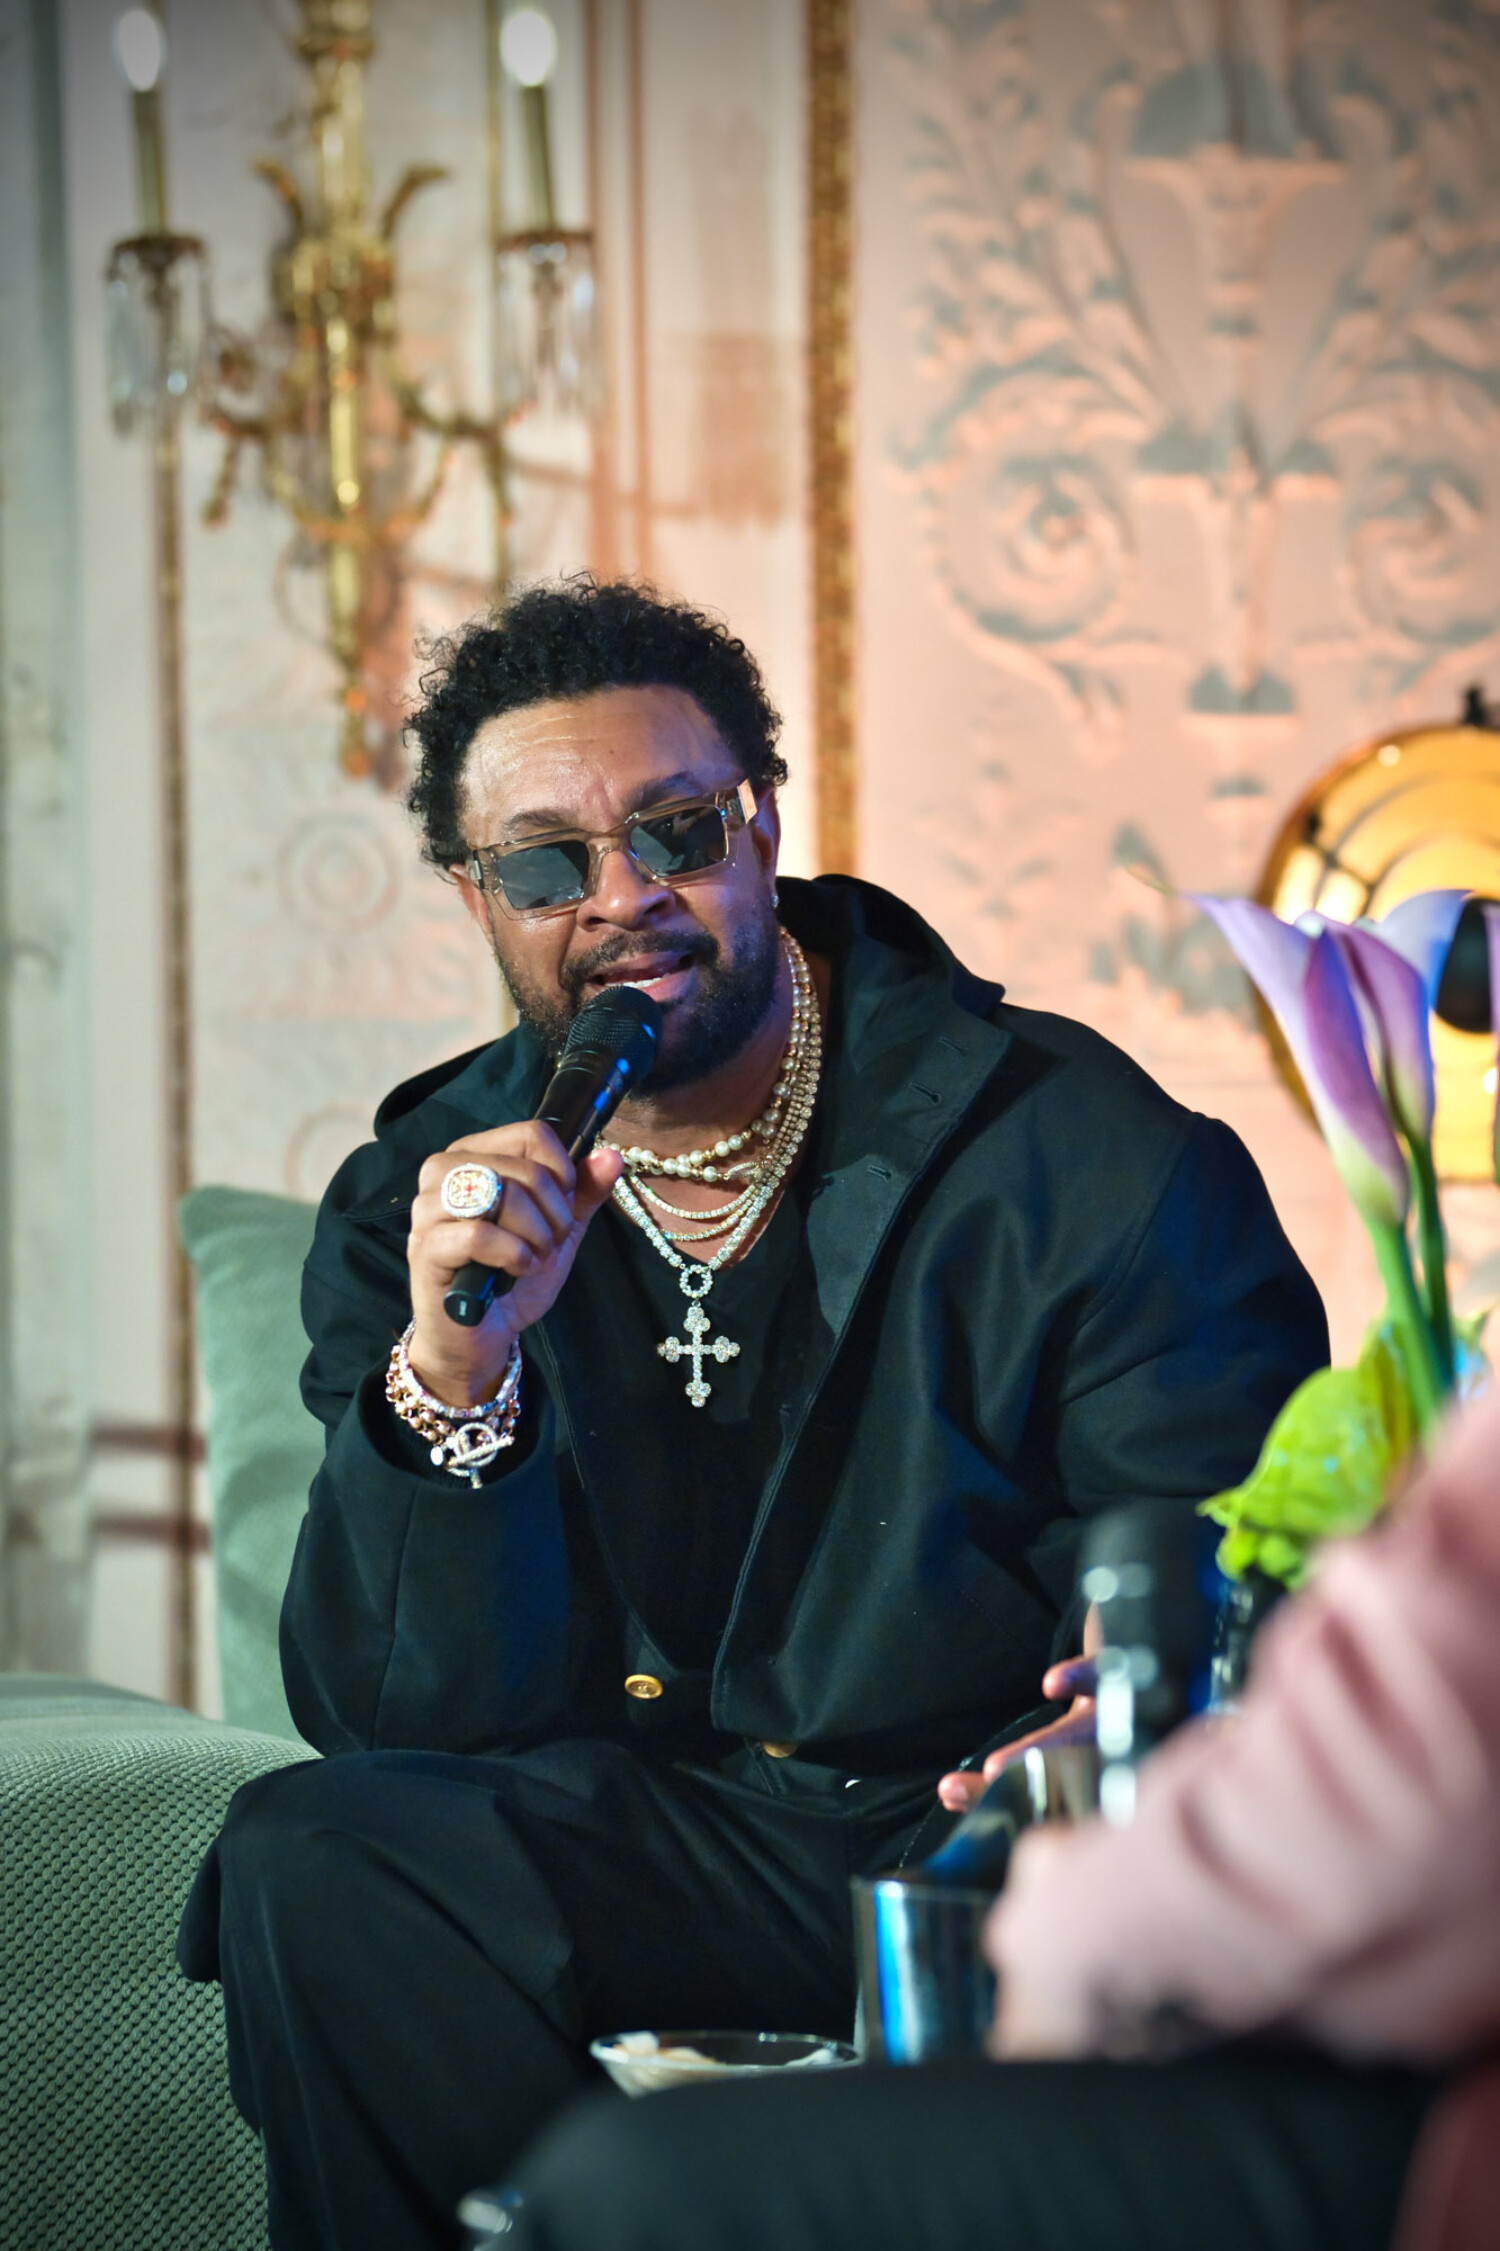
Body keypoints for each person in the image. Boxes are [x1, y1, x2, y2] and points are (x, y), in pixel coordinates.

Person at [177, 577, 1327, 2251]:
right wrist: (456, 1371)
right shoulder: (423, 1203)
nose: (624, 896)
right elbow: (394, 1717)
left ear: (763, 822)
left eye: (678, 830)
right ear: (476, 895)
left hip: (979, 1827)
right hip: (662, 1831)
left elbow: (1224, 1538)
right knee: (314, 1851)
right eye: (547, 865)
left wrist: (1130, 1702)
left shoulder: (1077, 1150)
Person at [497, 1384, 1500, 2251]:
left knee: (632, 2192)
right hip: (700, 1817)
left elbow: (1403, 1803)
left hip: (1413, 2118)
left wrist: (1070, 1916)